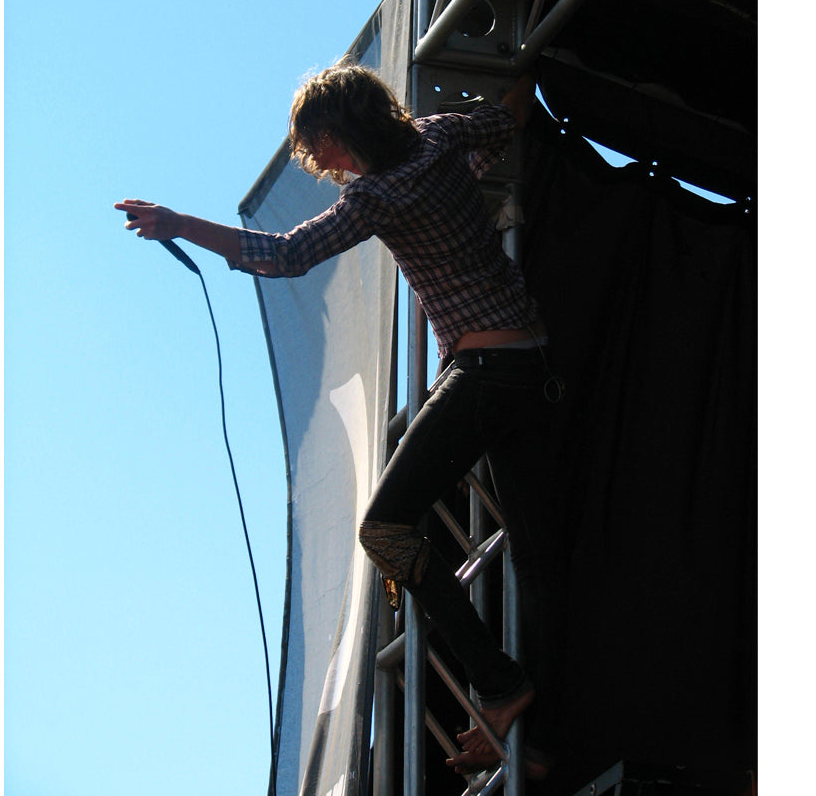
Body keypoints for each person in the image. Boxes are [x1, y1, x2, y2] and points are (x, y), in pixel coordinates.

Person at [115, 61, 558, 775]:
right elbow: (508, 116)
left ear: (340, 131)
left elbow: (287, 254)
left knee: (386, 529)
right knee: (535, 553)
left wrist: (179, 225)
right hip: (529, 366)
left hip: (484, 373)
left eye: (317, 145)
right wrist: (531, 63)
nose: (319, 161)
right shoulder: (441, 138)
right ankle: (536, 734)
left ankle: (502, 687)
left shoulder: (378, 196)